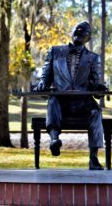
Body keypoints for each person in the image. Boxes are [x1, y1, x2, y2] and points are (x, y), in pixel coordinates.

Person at [34, 21, 106, 170]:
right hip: (61, 101)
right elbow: (45, 76)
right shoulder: (54, 51)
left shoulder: (93, 58)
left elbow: (95, 83)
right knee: (52, 100)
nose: (80, 31)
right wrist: (42, 84)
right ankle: (54, 140)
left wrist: (98, 88)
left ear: (88, 38)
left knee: (96, 111)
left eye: (84, 30)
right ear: (72, 32)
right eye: (77, 29)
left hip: (83, 103)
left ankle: (93, 158)